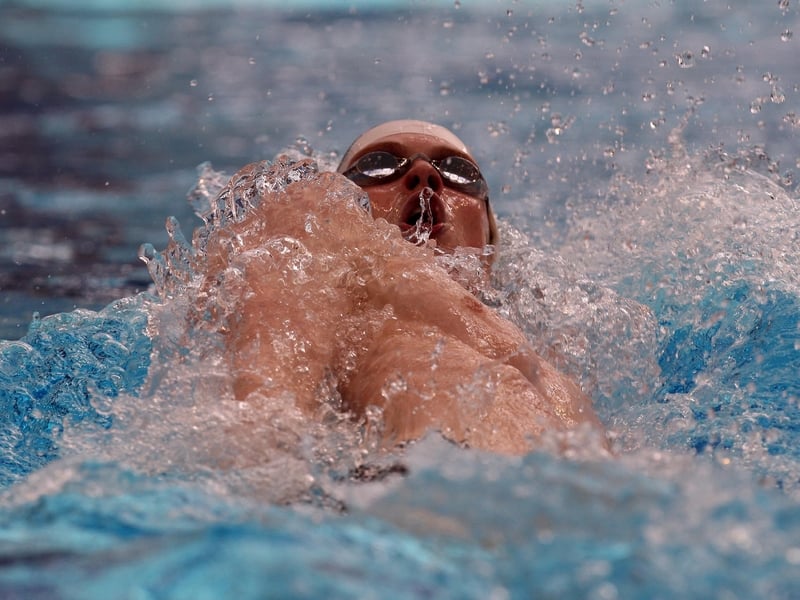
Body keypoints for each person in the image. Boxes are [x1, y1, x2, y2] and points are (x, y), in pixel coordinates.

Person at [198, 120, 603, 454]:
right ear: (337, 208)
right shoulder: (319, 284)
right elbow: (260, 434)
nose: (424, 174)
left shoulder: (549, 354)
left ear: (489, 244)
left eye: (460, 173)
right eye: (378, 165)